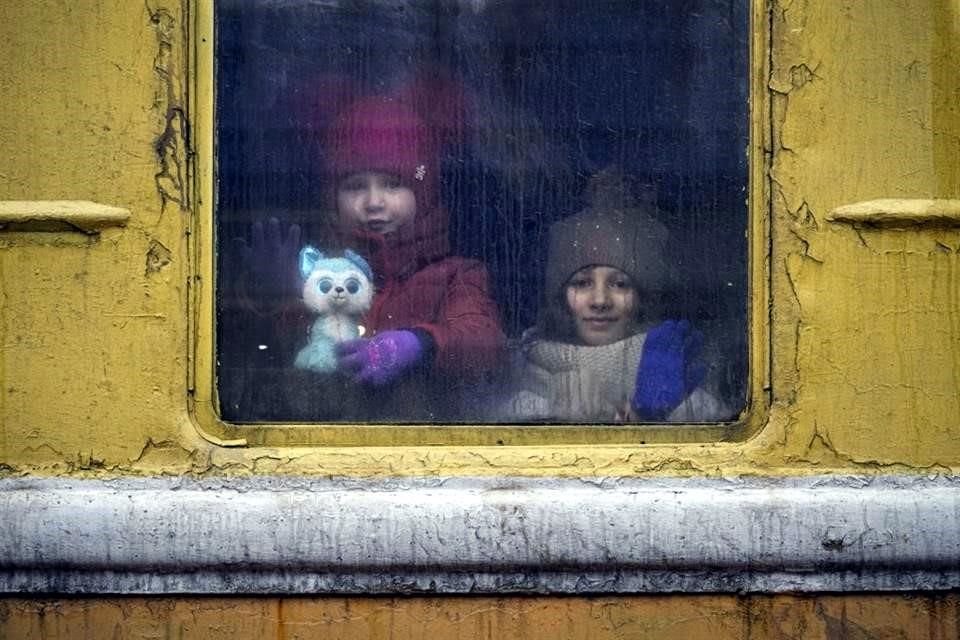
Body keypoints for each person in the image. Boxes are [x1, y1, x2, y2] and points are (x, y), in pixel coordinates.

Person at [220, 94, 505, 421]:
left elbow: (487, 341)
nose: (374, 202)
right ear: (333, 197)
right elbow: (265, 357)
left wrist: (418, 343)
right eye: (355, 186)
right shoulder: (315, 272)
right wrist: (274, 296)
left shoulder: (456, 275)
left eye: (393, 184)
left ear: (423, 193)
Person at [502, 173, 729, 423]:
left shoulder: (689, 402)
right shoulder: (522, 406)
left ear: (643, 299)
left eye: (620, 284)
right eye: (582, 283)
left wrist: (647, 420)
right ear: (561, 300)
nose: (600, 300)